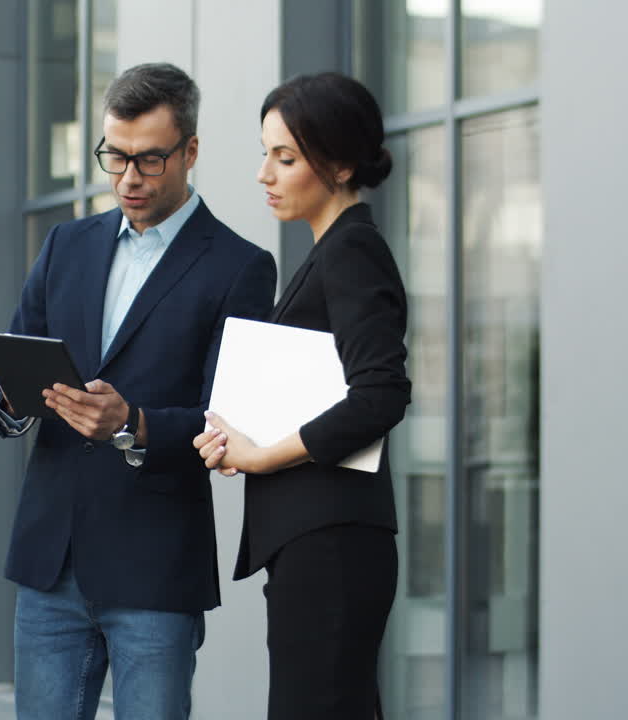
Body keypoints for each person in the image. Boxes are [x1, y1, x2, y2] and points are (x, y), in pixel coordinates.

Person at [0, 62, 277, 720]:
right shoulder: (65, 245)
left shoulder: (240, 268)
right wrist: (12, 396)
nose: (128, 179)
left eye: (148, 160)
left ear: (190, 151)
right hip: (50, 562)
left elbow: (229, 420)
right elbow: (1, 383)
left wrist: (134, 422)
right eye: (114, 157)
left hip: (155, 570)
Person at [193, 72, 411, 719]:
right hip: (319, 541)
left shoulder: (351, 251)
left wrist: (262, 457)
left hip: (333, 544)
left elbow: (381, 395)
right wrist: (238, 436)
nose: (266, 173)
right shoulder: (331, 252)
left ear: (340, 163)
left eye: (285, 157)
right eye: (266, 153)